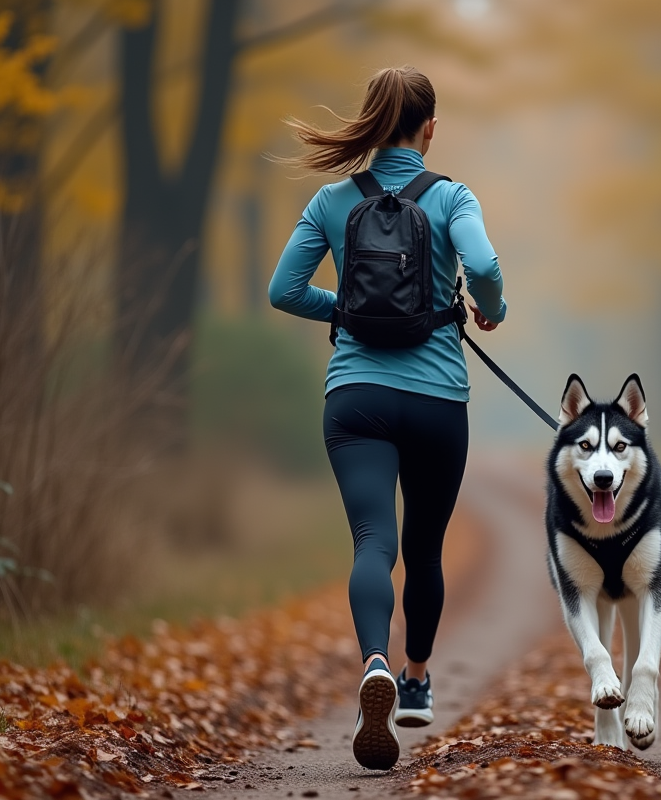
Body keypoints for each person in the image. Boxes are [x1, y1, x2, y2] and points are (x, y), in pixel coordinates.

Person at [268, 66, 505, 771]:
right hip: (437, 401)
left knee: (375, 540)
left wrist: (340, 310)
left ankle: (374, 659)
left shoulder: (333, 200)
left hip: (357, 398)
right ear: (429, 128)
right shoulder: (451, 196)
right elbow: (485, 263)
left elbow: (284, 291)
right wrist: (489, 307)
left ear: (370, 121)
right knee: (427, 547)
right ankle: (417, 679)